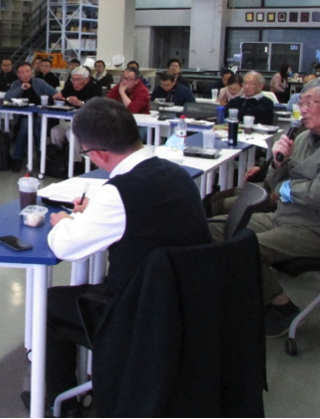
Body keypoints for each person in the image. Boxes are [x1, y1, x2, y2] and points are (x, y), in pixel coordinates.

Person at [41, 98, 211, 415]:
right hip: (187, 299)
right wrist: (96, 214)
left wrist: (65, 221)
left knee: (48, 303)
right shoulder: (175, 173)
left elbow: (64, 246)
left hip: (141, 311)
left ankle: (60, 404)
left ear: (99, 154)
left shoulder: (118, 192)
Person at [209, 77, 320, 337]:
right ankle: (241, 296)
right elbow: (273, 183)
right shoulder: (306, 137)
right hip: (285, 216)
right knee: (212, 229)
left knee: (245, 247)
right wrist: (278, 164)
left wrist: (284, 189)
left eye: (310, 103)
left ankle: (281, 308)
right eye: (301, 103)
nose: (302, 110)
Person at [4, 62, 56, 172]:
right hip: (22, 117)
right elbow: (7, 97)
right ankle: (18, 159)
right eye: (22, 72)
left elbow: (54, 93)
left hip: (40, 116)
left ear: (31, 72)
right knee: (25, 125)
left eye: (28, 71)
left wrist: (49, 99)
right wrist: (21, 89)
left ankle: (40, 158)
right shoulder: (16, 84)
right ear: (18, 74)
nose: (26, 74)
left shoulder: (39, 82)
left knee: (37, 126)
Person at [51, 67, 102, 164]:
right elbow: (63, 96)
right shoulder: (70, 85)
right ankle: (57, 159)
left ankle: (76, 162)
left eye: (78, 80)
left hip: (90, 123)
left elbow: (97, 106)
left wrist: (81, 103)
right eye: (73, 79)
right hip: (73, 120)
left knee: (71, 133)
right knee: (55, 131)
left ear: (86, 80)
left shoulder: (95, 86)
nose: (75, 82)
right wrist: (57, 98)